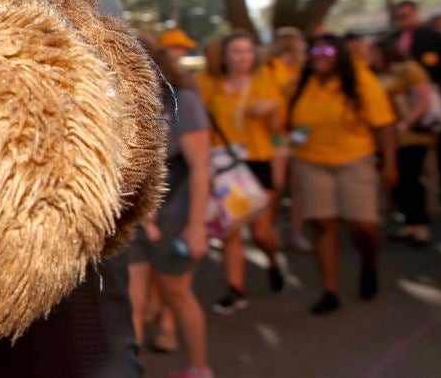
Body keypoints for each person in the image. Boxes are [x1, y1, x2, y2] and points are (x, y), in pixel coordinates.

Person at [287, 35, 396, 315]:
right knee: (324, 225)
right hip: (311, 162)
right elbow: (288, 124)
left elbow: (384, 125)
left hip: (354, 160)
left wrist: (390, 164)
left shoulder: (360, 80)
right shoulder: (302, 83)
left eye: (327, 49)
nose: (320, 54)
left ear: (341, 54)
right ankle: (330, 290)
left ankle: (369, 263)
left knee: (364, 227)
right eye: (315, 49)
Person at [128, 39, 212, 378]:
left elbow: (201, 167)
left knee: (177, 293)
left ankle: (199, 369)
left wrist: (196, 226)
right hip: (135, 217)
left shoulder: (183, 101)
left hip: (176, 213)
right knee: (130, 303)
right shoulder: (124, 102)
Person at [199, 31, 286, 314]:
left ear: (254, 55)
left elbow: (278, 132)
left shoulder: (265, 83)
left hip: (257, 162)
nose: (241, 57)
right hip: (224, 164)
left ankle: (273, 258)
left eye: (247, 51)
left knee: (261, 233)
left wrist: (271, 113)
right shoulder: (211, 85)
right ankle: (236, 289)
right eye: (235, 51)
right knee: (230, 231)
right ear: (224, 56)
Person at [389, 0, 441, 206]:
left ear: (416, 14)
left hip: (432, 103)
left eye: (407, 15)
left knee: (440, 147)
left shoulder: (433, 38)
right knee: (414, 153)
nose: (403, 20)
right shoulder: (394, 40)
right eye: (399, 16)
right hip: (403, 104)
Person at [375, 39, 436, 246]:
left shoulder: (409, 69)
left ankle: (421, 227)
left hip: (412, 136)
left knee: (412, 180)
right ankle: (411, 224)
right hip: (390, 140)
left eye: (375, 53)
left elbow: (424, 100)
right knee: (401, 182)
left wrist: (406, 124)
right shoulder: (383, 75)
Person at [264, 26, 310, 252]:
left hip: (300, 132)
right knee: (279, 184)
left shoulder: (303, 71)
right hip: (278, 135)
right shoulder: (270, 69)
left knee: (296, 185)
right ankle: (274, 228)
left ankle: (295, 231)